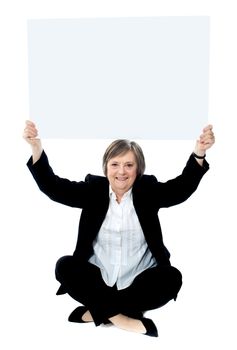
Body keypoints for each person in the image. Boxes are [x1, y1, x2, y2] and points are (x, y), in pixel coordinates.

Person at [23, 121, 215, 337]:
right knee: (65, 266)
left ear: (138, 169)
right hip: (99, 278)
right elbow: (53, 187)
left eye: (129, 165)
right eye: (115, 164)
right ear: (106, 167)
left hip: (139, 279)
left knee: (171, 278)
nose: (121, 172)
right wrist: (36, 148)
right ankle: (124, 318)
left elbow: (181, 189)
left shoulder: (148, 190)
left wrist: (199, 153)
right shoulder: (93, 190)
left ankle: (96, 311)